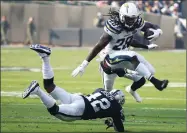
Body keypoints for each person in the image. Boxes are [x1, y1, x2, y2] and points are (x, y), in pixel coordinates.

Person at [71, 2, 169, 103]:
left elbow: (144, 31)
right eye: (128, 18)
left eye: (133, 18)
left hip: (124, 56)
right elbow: (99, 46)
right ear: (122, 17)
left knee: (149, 71)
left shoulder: (136, 22)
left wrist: (158, 32)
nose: (131, 21)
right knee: (107, 92)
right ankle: (156, 82)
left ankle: (131, 88)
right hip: (109, 59)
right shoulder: (114, 27)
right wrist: (84, 64)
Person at [22, 44, 125, 132]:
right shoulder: (116, 108)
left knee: (50, 86)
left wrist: (107, 114)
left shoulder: (101, 90)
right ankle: (37, 90)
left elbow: (100, 100)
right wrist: (114, 118)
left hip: (78, 98)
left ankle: (45, 57)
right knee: (55, 111)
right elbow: (120, 129)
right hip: (81, 109)